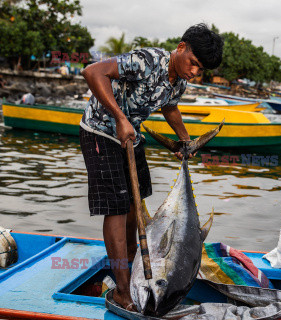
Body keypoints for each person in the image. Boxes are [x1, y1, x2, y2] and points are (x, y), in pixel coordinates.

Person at [79, 23, 223, 311]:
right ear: (181, 47)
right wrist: (119, 118)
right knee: (116, 209)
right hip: (100, 132)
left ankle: (134, 266)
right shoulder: (147, 61)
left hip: (131, 136)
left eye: (200, 70)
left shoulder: (179, 79)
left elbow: (169, 106)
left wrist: (184, 141)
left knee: (136, 204)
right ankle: (122, 291)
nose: (194, 72)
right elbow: (93, 72)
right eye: (193, 63)